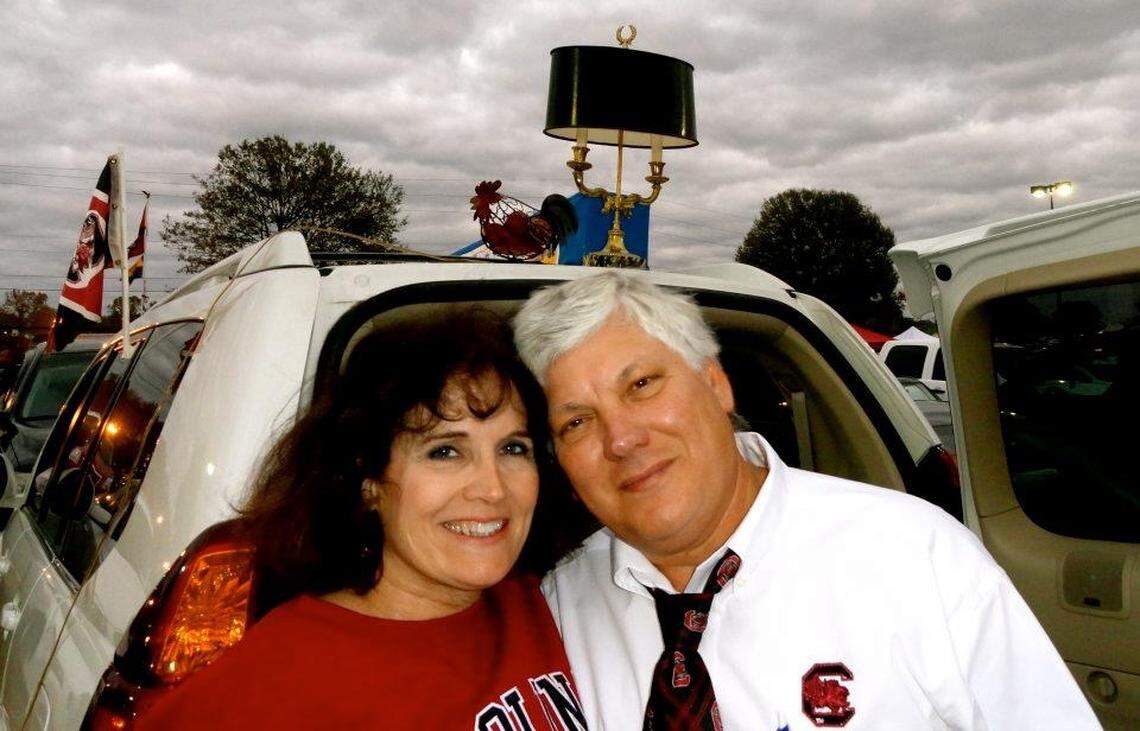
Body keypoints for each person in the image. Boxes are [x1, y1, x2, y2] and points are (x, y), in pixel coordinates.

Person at [513, 272, 1100, 730]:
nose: (621, 439)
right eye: (576, 422)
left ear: (715, 384)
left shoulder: (912, 555)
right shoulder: (558, 603)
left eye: (641, 385)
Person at [140, 312, 586, 730]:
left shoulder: (551, 605)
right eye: (445, 451)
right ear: (367, 479)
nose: (492, 488)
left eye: (513, 449)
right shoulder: (275, 680)